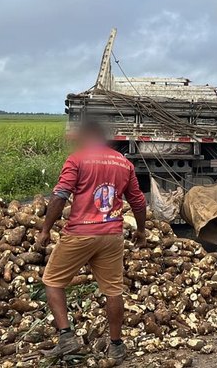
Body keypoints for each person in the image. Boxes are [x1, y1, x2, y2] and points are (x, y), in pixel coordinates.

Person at [38, 120, 147, 364]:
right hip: (112, 235)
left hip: (80, 234)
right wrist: (141, 231)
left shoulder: (77, 159)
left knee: (53, 281)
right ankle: (116, 346)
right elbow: (138, 201)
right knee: (113, 290)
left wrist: (45, 230)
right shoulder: (124, 163)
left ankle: (66, 337)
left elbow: (60, 195)